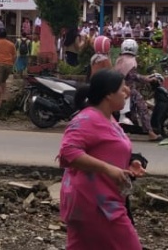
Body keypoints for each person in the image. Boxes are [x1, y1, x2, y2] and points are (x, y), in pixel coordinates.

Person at [58, 69, 147, 249]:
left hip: (102, 201)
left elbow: (108, 150)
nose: (127, 91)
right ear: (108, 95)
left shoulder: (109, 118)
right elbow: (67, 152)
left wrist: (131, 162)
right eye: (122, 88)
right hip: (97, 205)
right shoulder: (87, 118)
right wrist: (107, 169)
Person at [114, 39, 161, 141]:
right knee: (142, 108)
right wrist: (148, 79)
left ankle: (134, 128)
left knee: (133, 111)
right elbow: (134, 76)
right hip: (129, 90)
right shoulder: (131, 61)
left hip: (119, 88)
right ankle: (151, 133)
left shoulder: (120, 59)